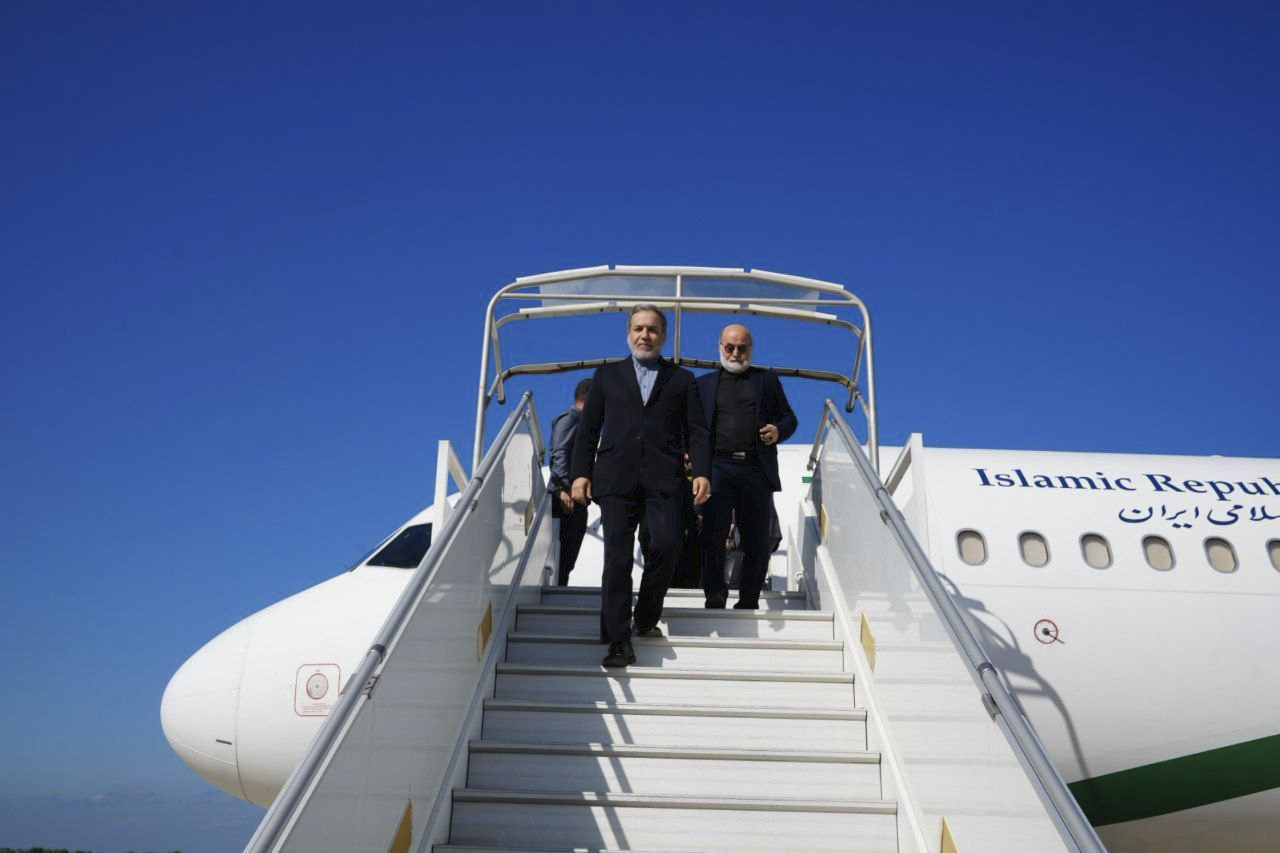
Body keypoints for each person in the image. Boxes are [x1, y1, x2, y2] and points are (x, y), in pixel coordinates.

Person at [571, 305, 711, 667]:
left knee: (666, 546)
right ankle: (618, 641)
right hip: (616, 477)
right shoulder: (606, 376)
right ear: (628, 334)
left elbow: (697, 431)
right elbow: (588, 429)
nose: (644, 335)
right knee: (616, 559)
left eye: (652, 329)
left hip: (664, 479)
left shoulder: (682, 380)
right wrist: (580, 474)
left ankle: (646, 616)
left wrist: (702, 472)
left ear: (663, 337)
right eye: (638, 328)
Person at [697, 324, 797, 609]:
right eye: (730, 347)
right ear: (720, 348)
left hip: (755, 468)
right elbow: (691, 427)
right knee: (713, 533)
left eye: (742, 348)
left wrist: (778, 431)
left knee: (756, 538)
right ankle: (715, 593)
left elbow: (790, 418)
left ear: (751, 349)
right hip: (717, 467)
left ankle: (749, 598)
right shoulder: (703, 384)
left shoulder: (767, 380)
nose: (736, 353)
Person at [548, 378, 593, 586]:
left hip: (578, 498)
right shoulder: (571, 418)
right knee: (563, 555)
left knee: (569, 556)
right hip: (566, 497)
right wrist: (563, 488)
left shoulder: (583, 422)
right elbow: (560, 453)